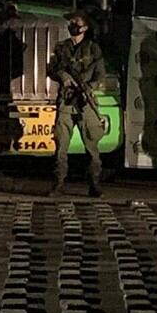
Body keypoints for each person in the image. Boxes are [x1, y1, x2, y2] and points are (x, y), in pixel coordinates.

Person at [47, 10, 106, 197]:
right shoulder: (61, 47)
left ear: (85, 27)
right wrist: (63, 76)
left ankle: (94, 184)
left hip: (85, 101)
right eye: (71, 21)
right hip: (66, 100)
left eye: (77, 22)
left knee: (92, 145)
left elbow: (100, 75)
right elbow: (52, 69)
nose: (73, 24)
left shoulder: (93, 48)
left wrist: (90, 87)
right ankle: (59, 184)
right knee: (61, 144)